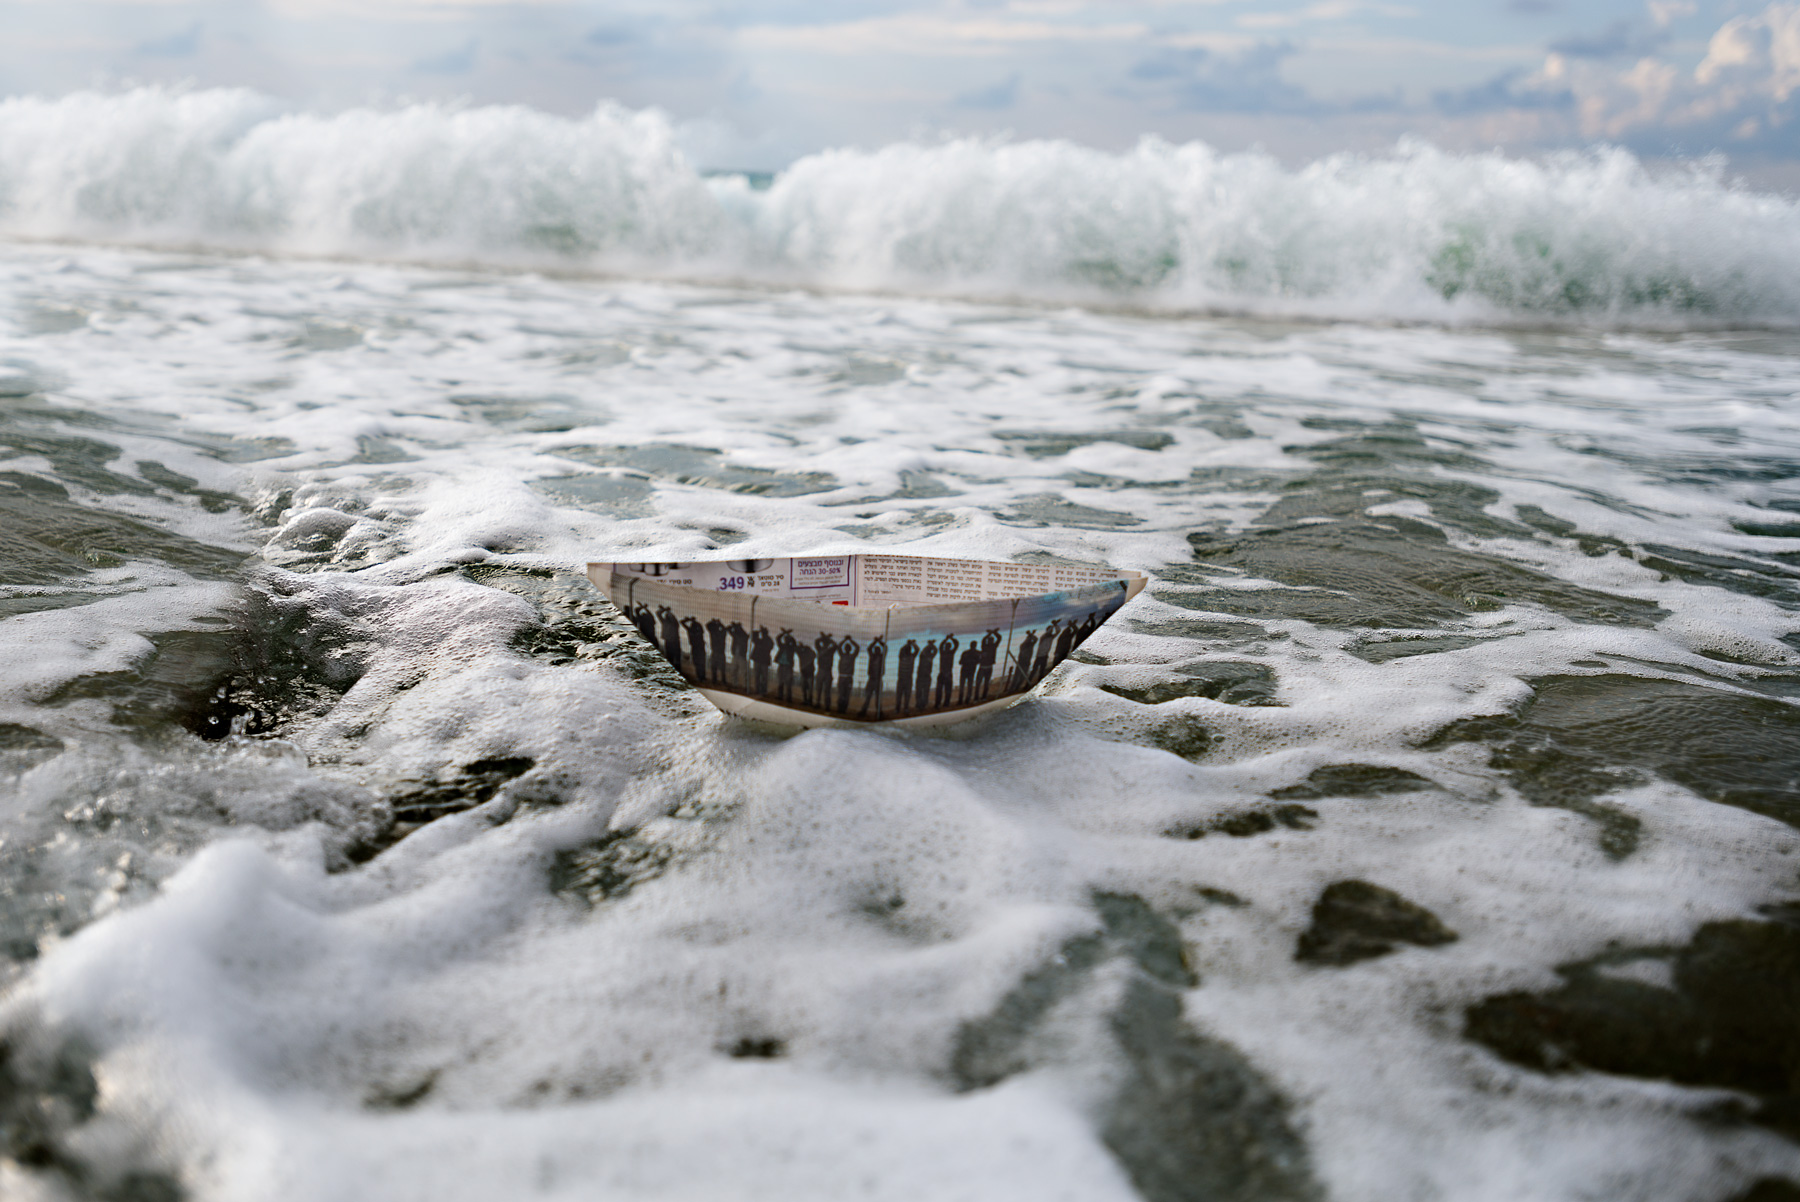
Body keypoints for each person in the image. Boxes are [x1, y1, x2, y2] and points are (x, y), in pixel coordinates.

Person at [860, 636, 887, 717]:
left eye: (878, 650)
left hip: (878, 680)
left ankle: (879, 712)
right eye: (876, 650)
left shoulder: (882, 657)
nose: (877, 651)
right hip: (871, 680)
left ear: (880, 651)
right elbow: (869, 648)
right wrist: (875, 641)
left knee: (878, 698)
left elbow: (885, 648)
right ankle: (863, 711)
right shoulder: (872, 657)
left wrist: (879, 641)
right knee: (868, 697)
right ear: (874, 651)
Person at [836, 635, 860, 713]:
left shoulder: (852, 656)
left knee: (846, 694)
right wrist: (845, 639)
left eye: (848, 648)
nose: (847, 649)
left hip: (849, 678)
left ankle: (844, 709)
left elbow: (857, 648)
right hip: (842, 676)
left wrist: (850, 640)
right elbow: (839, 646)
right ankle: (840, 709)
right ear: (844, 649)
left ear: (849, 649)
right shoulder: (842, 655)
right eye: (846, 647)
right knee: (841, 694)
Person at [680, 616, 708, 682]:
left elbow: (682, 622)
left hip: (696, 647)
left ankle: (701, 677)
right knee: (700, 662)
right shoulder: (697, 629)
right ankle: (702, 677)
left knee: (698, 662)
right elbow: (682, 622)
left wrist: (687, 620)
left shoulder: (691, 630)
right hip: (699, 647)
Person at [935, 633, 959, 707]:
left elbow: (956, 645)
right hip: (944, 673)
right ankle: (941, 703)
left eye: (947, 646)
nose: (947, 647)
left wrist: (948, 638)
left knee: (944, 690)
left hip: (946, 673)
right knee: (942, 690)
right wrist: (949, 638)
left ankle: (943, 703)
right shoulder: (946, 652)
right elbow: (956, 644)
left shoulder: (947, 652)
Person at [895, 639, 918, 713]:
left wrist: (911, 644)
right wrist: (910, 644)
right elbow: (916, 649)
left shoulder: (911, 657)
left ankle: (905, 708)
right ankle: (898, 709)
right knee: (899, 695)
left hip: (907, 679)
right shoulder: (902, 656)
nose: (907, 651)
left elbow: (917, 650)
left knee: (907, 695)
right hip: (902, 679)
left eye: (908, 649)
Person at [1012, 628, 1038, 693]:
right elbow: (1032, 640)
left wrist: (1031, 634)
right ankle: (1012, 689)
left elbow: (1035, 639)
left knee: (1022, 677)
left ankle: (1017, 688)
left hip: (1026, 662)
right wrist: (1030, 635)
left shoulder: (1030, 645)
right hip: (1021, 662)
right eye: (1028, 638)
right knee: (1017, 676)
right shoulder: (1023, 646)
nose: (1029, 640)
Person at [976, 629, 1000, 698]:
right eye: (990, 640)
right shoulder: (985, 646)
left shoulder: (993, 646)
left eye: (991, 640)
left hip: (988, 667)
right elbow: (984, 640)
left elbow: (999, 638)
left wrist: (993, 632)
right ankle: (977, 697)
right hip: (983, 667)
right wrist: (990, 633)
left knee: (986, 683)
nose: (991, 641)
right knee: (979, 683)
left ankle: (983, 696)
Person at [775, 630, 797, 704]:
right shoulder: (782, 646)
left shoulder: (791, 647)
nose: (786, 640)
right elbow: (778, 638)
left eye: (787, 639)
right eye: (785, 639)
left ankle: (788, 697)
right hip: (782, 665)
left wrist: (788, 634)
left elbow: (794, 643)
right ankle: (780, 696)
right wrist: (784, 633)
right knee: (781, 681)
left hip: (788, 667)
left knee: (788, 683)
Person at [750, 625, 774, 695]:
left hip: (761, 661)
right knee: (761, 677)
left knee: (760, 677)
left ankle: (761, 690)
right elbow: (753, 636)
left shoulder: (761, 641)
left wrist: (759, 631)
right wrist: (761, 631)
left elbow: (753, 637)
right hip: (762, 661)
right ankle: (761, 690)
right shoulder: (764, 641)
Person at [814, 633, 838, 700]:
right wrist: (825, 637)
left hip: (827, 671)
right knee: (819, 689)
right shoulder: (820, 649)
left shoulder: (830, 650)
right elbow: (816, 641)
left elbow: (836, 645)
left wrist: (826, 638)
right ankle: (818, 703)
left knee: (826, 690)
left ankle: (826, 705)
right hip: (822, 670)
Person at [727, 621, 750, 688]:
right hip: (737, 655)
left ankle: (744, 685)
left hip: (741, 656)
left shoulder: (742, 636)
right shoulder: (739, 635)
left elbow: (729, 630)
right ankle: (737, 684)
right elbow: (728, 629)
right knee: (735, 670)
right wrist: (734, 626)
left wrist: (733, 626)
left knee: (742, 671)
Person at [914, 638, 934, 714]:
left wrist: (931, 645)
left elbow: (935, 650)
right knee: (919, 692)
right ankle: (919, 705)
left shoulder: (930, 657)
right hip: (921, 677)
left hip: (926, 677)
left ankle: (924, 705)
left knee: (925, 692)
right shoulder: (922, 656)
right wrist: (930, 645)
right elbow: (923, 651)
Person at [706, 617, 728, 683]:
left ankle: (714, 680)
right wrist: (719, 623)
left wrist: (713, 622)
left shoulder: (713, 633)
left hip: (715, 651)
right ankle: (723, 680)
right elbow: (725, 629)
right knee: (722, 668)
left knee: (714, 667)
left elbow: (708, 625)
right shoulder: (722, 634)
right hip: (721, 652)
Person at [797, 640, 817, 706]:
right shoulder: (810, 656)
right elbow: (814, 654)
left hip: (805, 673)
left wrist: (801, 646)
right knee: (808, 688)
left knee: (805, 688)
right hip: (808, 673)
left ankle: (806, 700)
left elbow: (798, 650)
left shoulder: (802, 655)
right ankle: (808, 701)